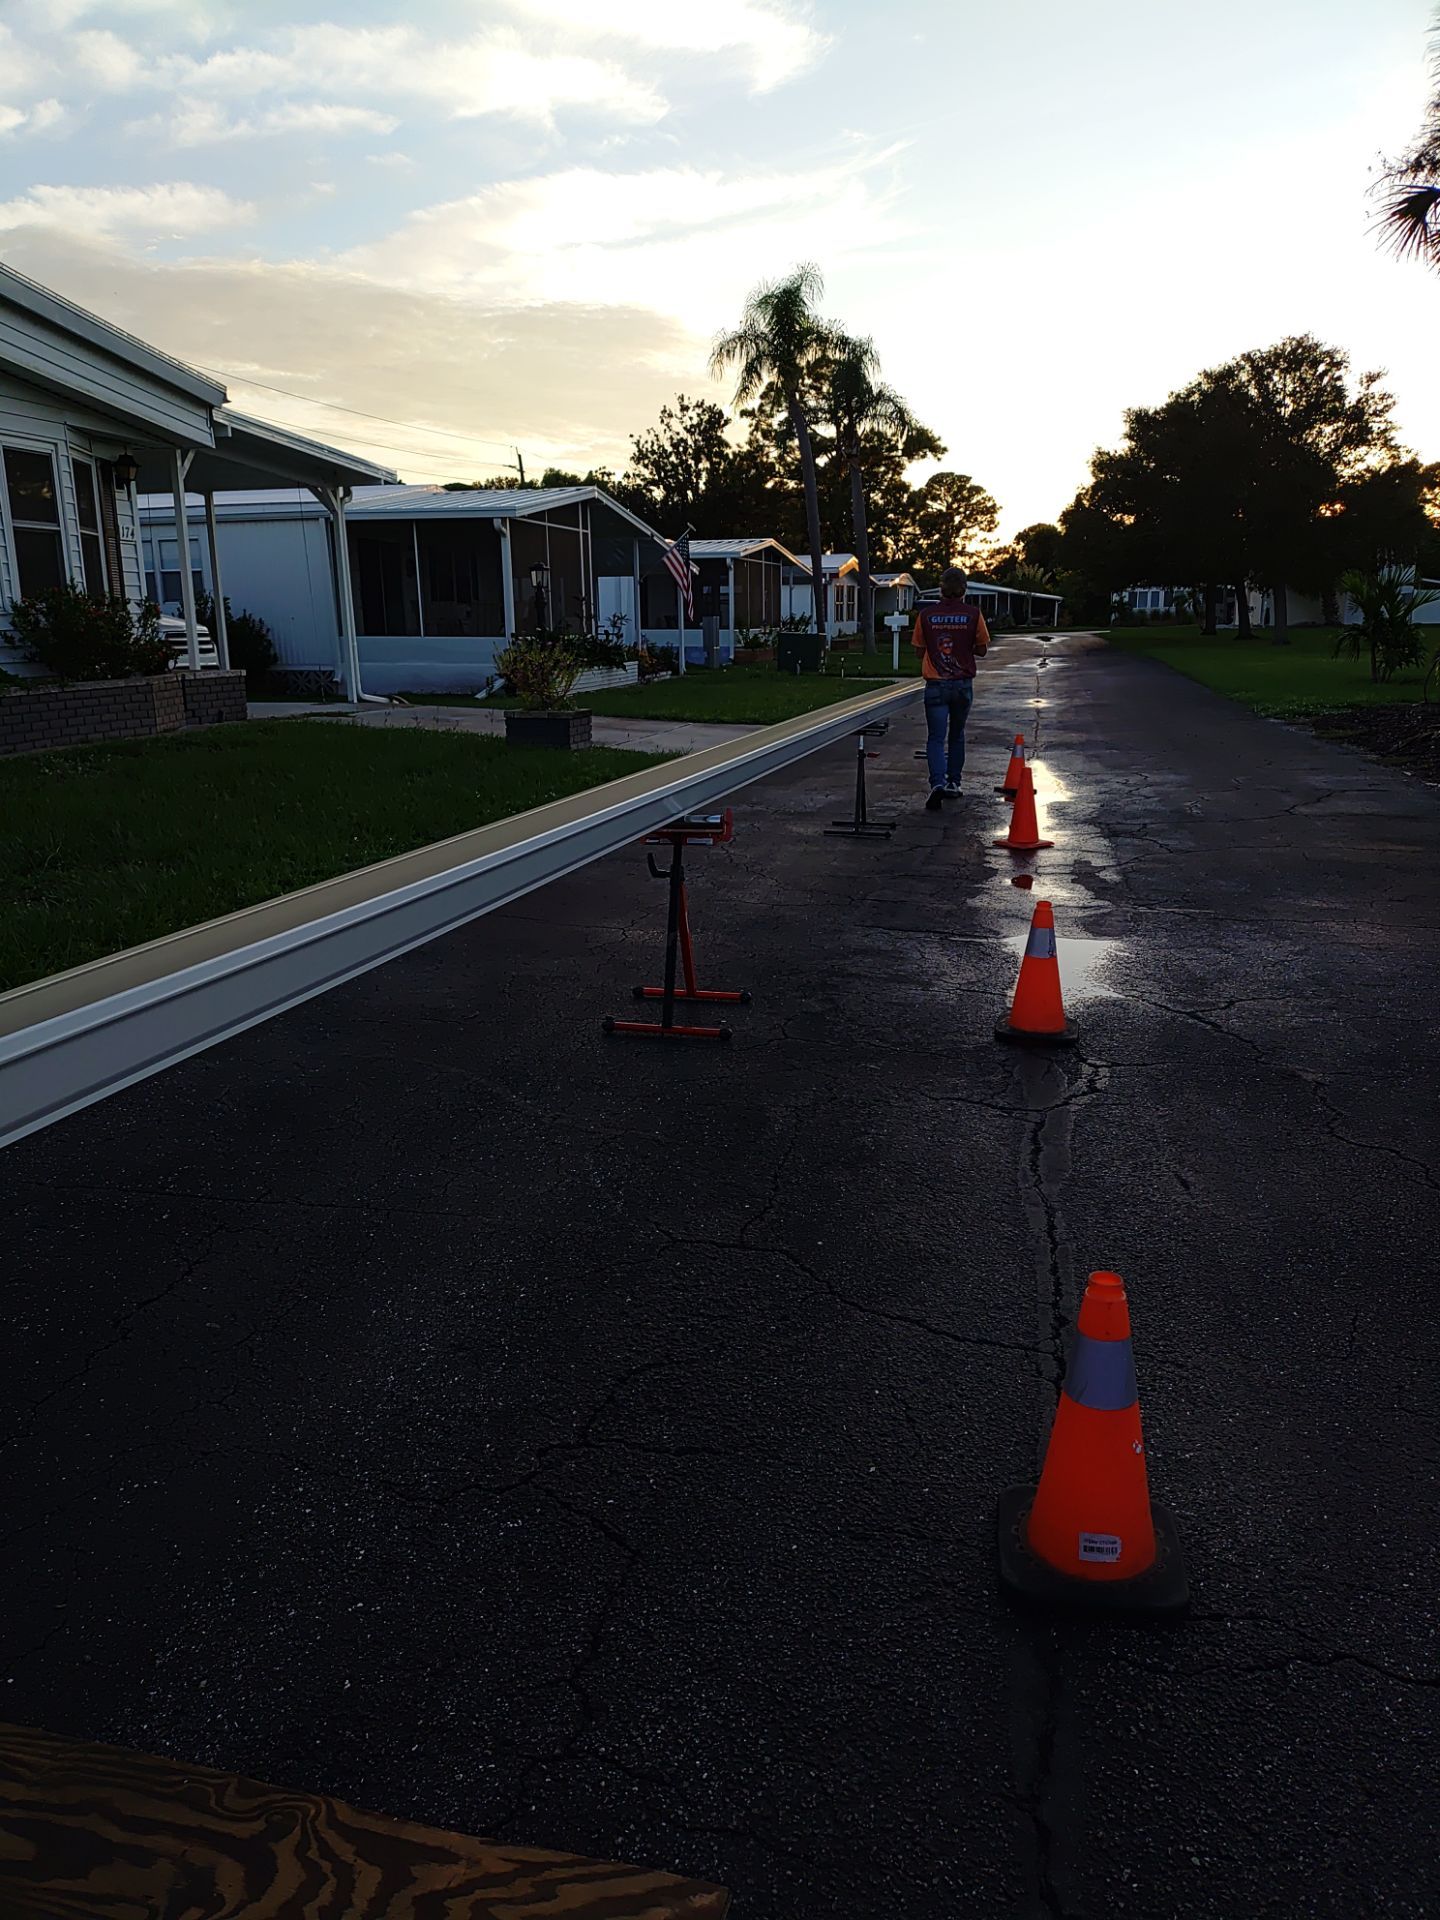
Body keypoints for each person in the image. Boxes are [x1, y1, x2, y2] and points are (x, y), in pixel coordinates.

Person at [912, 566, 990, 810]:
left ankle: (937, 782)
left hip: (936, 683)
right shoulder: (973, 614)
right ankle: (954, 782)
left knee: (936, 737)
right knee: (957, 734)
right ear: (964, 589)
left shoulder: (926, 615)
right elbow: (982, 649)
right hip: (962, 684)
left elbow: (918, 651)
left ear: (941, 589)